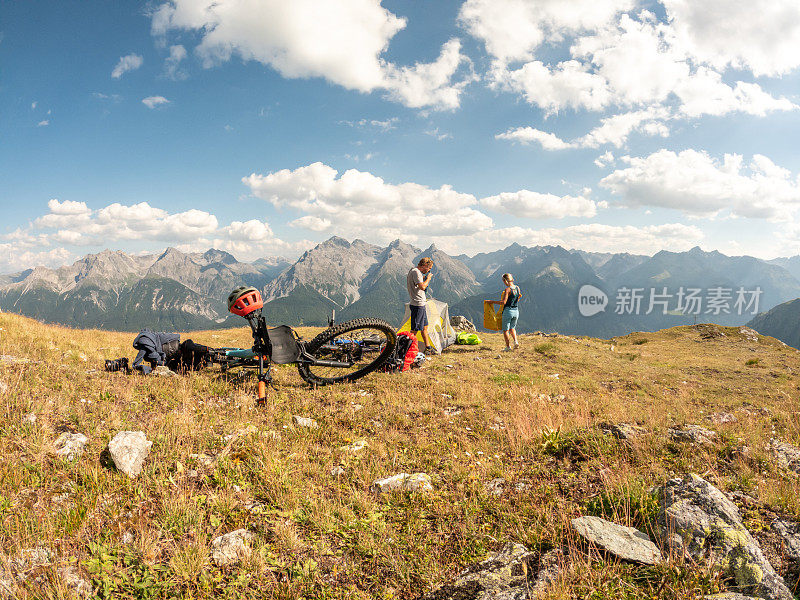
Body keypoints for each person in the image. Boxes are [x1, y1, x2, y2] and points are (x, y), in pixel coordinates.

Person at [407, 257, 438, 354]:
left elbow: (418, 285)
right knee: (415, 329)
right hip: (418, 304)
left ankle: (428, 348)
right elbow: (422, 287)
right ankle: (405, 349)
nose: (429, 270)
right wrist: (428, 279)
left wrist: (423, 278)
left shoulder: (415, 271)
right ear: (425, 266)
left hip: (421, 304)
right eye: (429, 268)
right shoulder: (416, 272)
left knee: (424, 327)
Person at [489, 273, 521, 351]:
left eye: (503, 281)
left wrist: (492, 302)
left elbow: (503, 302)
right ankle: (516, 342)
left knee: (506, 330)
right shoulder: (517, 288)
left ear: (505, 280)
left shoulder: (508, 289)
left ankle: (508, 347)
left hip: (508, 311)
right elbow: (519, 296)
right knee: (512, 328)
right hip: (516, 311)